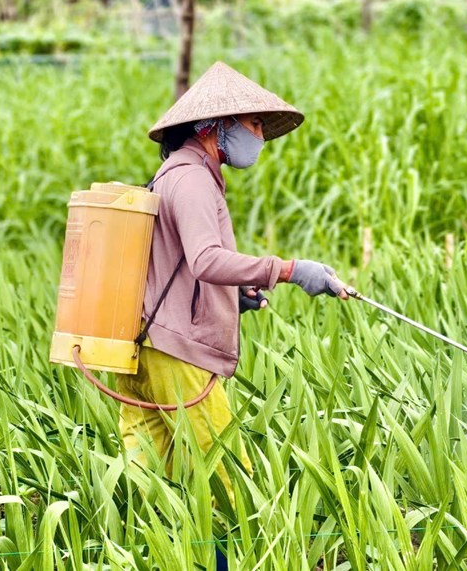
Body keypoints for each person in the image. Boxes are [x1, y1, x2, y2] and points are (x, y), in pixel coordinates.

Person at [118, 62, 347, 565]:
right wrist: (288, 269)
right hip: (178, 357)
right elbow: (204, 259)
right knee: (224, 487)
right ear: (214, 126)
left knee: (157, 495)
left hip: (143, 350)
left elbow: (176, 268)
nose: (260, 136)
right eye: (254, 124)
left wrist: (234, 295)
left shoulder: (171, 173)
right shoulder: (193, 180)